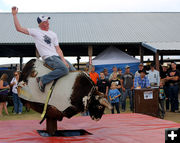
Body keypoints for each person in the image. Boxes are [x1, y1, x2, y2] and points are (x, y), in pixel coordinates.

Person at [12, 7, 75, 92]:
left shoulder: (53, 34)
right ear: (40, 24)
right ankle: (42, 80)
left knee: (74, 71)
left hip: (57, 57)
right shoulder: (35, 31)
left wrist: (63, 60)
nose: (47, 23)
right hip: (49, 57)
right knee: (64, 69)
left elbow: (58, 49)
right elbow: (19, 28)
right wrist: (14, 15)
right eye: (45, 22)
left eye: (48, 21)